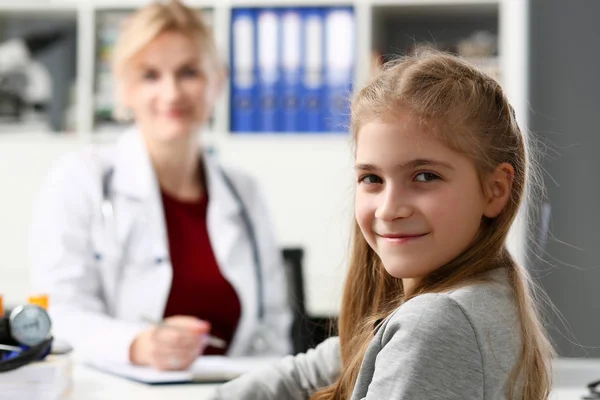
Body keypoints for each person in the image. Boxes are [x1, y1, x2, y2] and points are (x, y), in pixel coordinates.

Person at [208, 51, 555, 399]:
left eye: (425, 176)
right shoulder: (486, 296)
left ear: (495, 190)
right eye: (372, 178)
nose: (389, 210)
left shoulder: (435, 322)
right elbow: (308, 372)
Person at [28, 0, 292, 371]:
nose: (171, 93)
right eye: (150, 75)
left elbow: (274, 327)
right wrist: (138, 345)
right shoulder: (80, 180)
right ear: (124, 89)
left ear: (218, 80)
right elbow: (59, 314)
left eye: (188, 72)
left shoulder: (245, 192)